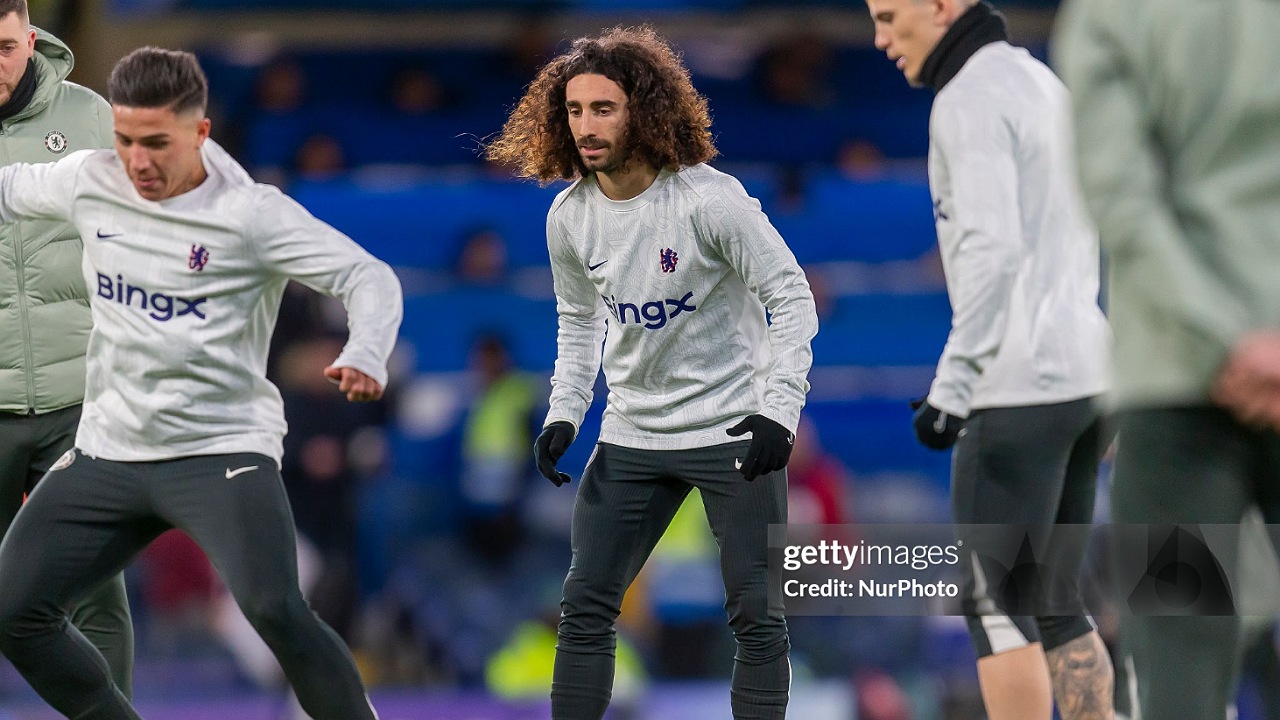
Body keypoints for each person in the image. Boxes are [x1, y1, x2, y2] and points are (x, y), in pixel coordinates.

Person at [0, 46, 398, 720]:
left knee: (276, 608)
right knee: (13, 612)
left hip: (219, 452)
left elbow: (369, 277)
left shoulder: (250, 214)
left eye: (156, 143)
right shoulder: (90, 179)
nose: (138, 162)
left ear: (199, 133)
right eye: (124, 141)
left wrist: (366, 350)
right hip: (110, 452)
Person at [485, 25, 819, 720]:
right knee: (582, 610)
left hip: (732, 432)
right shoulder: (569, 217)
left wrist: (779, 412)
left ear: (643, 110)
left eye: (602, 108)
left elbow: (791, 298)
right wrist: (565, 413)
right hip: (633, 433)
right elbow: (579, 324)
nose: (585, 126)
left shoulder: (709, 200)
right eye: (574, 111)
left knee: (757, 617)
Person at [865, 2, 1115, 719]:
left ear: (943, 5)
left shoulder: (966, 98)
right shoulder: (1044, 84)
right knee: (1058, 603)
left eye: (889, 15)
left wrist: (953, 385)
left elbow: (992, 253)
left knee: (996, 608)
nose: (880, 38)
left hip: (1016, 385)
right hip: (1083, 373)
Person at [1055, 0, 1280, 718]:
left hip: (1174, 384)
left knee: (1179, 681)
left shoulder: (1107, 14)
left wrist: (1225, 339)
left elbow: (1119, 194)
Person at [0, 0, 134, 696]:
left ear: (30, 36)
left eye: (4, 46)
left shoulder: (91, 119)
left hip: (79, 400)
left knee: (94, 589)